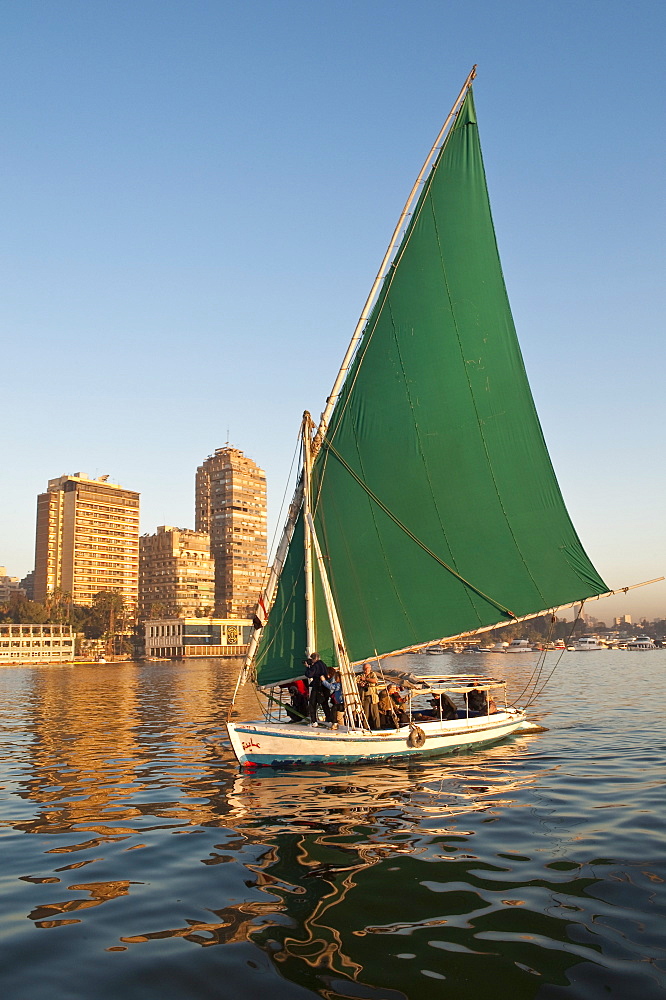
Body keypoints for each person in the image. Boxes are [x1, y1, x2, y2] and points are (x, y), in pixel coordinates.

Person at [305, 652, 329, 725]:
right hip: (324, 686)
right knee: (324, 703)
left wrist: (307, 667)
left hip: (317, 686)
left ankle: (314, 721)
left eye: (312, 659)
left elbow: (309, 674)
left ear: (314, 659)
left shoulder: (316, 666)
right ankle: (330, 719)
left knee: (312, 703)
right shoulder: (323, 665)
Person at [356, 662, 380, 729]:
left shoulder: (373, 674)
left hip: (373, 697)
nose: (365, 670)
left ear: (370, 668)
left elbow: (375, 680)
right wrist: (360, 684)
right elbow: (355, 681)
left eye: (367, 668)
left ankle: (377, 727)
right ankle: (365, 727)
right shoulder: (360, 676)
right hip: (364, 697)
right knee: (365, 713)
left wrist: (366, 679)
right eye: (364, 668)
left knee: (375, 713)